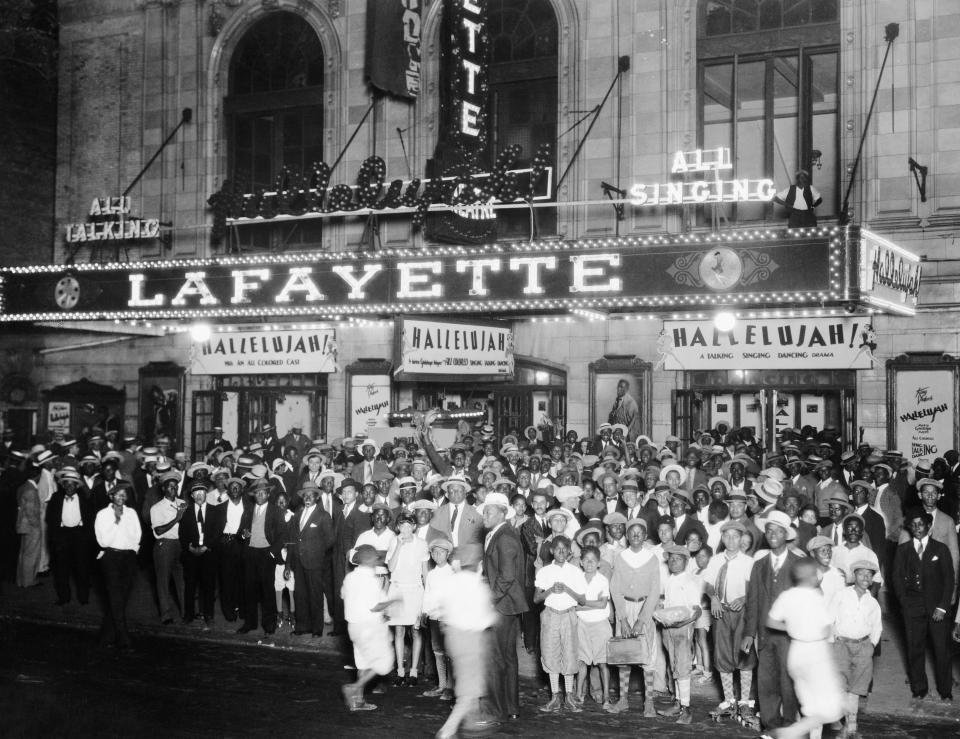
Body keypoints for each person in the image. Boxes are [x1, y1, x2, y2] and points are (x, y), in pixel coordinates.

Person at [765, 557, 844, 739]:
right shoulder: (815, 597)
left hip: (796, 653)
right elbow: (825, 629)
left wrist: (793, 628)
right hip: (815, 652)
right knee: (829, 708)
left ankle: (797, 733)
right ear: (811, 577)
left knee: (810, 707)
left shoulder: (787, 595)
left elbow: (771, 621)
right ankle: (791, 733)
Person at [743, 510, 805, 732]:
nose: (773, 535)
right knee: (767, 682)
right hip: (765, 634)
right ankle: (769, 726)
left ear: (786, 535)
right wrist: (749, 634)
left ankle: (789, 725)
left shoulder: (800, 564)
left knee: (788, 684)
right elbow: (753, 601)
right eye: (769, 531)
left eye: (778, 531)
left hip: (791, 636)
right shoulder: (759, 565)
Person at [434, 542, 498, 739]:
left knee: (467, 682)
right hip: (470, 638)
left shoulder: (451, 581)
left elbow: (441, 610)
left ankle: (472, 721)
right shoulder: (478, 585)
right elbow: (487, 619)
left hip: (453, 638)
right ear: (478, 563)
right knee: (469, 690)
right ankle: (448, 731)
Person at [892, 508, 955, 702]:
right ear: (910, 528)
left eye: (921, 524)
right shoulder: (903, 550)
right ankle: (919, 689)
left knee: (941, 650)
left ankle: (945, 691)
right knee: (914, 648)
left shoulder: (940, 549)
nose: (918, 527)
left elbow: (949, 579)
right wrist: (905, 603)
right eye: (914, 524)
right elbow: (896, 579)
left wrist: (943, 607)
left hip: (937, 608)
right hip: (913, 607)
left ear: (929, 526)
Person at [480, 491, 529, 725]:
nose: (484, 515)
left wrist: (490, 600)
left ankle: (497, 710)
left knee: (497, 659)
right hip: (507, 605)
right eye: (484, 511)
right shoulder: (498, 534)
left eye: (488, 511)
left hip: (502, 606)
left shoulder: (505, 537)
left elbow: (507, 577)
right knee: (508, 659)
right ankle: (511, 708)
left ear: (502, 512)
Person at [702, 520, 756, 723]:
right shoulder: (716, 560)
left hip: (741, 613)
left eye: (736, 536)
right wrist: (714, 597)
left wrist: (743, 599)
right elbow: (708, 584)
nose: (732, 540)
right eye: (728, 536)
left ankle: (744, 702)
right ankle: (729, 700)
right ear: (722, 538)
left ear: (741, 539)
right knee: (722, 655)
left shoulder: (748, 562)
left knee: (744, 656)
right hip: (721, 613)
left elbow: (754, 590)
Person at [607, 518, 661, 716]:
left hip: (645, 609)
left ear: (645, 536)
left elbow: (655, 590)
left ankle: (649, 702)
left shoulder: (652, 558)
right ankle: (623, 700)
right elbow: (615, 588)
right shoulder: (621, 557)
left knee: (647, 656)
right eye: (632, 532)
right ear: (627, 536)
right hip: (625, 607)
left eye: (640, 532)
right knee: (624, 654)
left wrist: (641, 619)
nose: (636, 535)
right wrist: (622, 618)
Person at [340, 544, 398, 712]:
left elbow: (343, 595)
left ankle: (358, 701)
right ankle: (354, 687)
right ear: (370, 561)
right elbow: (375, 606)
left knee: (363, 663)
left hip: (353, 627)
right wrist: (394, 601)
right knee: (384, 663)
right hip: (369, 627)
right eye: (374, 559)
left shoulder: (350, 578)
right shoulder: (370, 580)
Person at [534, 535, 587, 713]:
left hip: (569, 615)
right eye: (558, 549)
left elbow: (582, 600)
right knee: (550, 653)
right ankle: (555, 696)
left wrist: (567, 589)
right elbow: (536, 598)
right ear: (552, 551)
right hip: (550, 615)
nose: (562, 552)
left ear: (570, 551)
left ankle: (569, 697)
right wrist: (550, 589)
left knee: (570, 654)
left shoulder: (576, 572)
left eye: (565, 549)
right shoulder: (544, 572)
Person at [831, 559, 883, 739]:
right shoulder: (841, 595)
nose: (865, 577)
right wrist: (833, 641)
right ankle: (837, 719)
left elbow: (877, 627)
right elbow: (829, 618)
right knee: (841, 686)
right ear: (854, 576)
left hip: (862, 647)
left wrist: (871, 646)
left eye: (869, 575)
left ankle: (851, 725)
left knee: (856, 689)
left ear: (872, 579)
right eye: (861, 573)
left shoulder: (872, 603)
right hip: (841, 646)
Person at [655, 543, 702, 724]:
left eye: (678, 559)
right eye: (671, 559)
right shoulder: (670, 581)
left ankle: (686, 709)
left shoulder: (689, 581)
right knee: (673, 666)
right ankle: (677, 703)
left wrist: (684, 623)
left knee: (682, 667)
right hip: (669, 628)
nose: (674, 562)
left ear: (686, 561)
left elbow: (696, 611)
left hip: (682, 629)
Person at [94, 482, 142, 650]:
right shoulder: (102, 515)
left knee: (121, 598)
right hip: (111, 557)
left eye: (124, 495)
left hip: (128, 558)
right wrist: (116, 520)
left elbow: (137, 535)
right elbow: (103, 540)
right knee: (115, 596)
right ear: (111, 496)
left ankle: (106, 636)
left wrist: (134, 550)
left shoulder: (132, 513)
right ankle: (123, 636)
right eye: (117, 494)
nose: (121, 498)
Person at [387, 510, 430, 686]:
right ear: (398, 527)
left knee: (416, 630)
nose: (405, 529)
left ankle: (413, 672)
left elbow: (425, 572)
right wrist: (398, 545)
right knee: (398, 630)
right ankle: (400, 671)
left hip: (415, 590)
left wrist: (428, 594)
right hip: (397, 589)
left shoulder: (421, 544)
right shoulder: (393, 541)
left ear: (414, 526)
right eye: (402, 525)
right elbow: (390, 567)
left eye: (408, 525)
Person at [286, 481, 335, 637]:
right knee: (300, 595)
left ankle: (316, 629)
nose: (308, 498)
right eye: (305, 495)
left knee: (315, 595)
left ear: (316, 497)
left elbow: (330, 540)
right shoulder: (298, 515)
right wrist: (288, 565)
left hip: (315, 562)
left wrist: (317, 553)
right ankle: (302, 627)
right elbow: (293, 540)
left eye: (311, 495)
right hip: (298, 562)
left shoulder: (323, 516)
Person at [238, 479, 285, 635]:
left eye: (263, 492)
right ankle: (250, 623)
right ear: (253, 495)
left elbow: (282, 536)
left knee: (267, 591)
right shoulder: (248, 510)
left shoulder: (276, 511)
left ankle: (269, 624)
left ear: (268, 494)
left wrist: (272, 552)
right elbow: (240, 531)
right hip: (250, 552)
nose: (260, 495)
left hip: (266, 553)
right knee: (249, 590)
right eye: (257, 493)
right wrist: (244, 535)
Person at [46, 468, 96, 605]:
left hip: (79, 536)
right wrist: (55, 538)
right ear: (63, 485)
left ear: (77, 485)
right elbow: (49, 518)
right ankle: (64, 597)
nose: (69, 487)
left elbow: (90, 519)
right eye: (66, 484)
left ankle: (83, 598)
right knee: (61, 570)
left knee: (82, 569)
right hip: (62, 537)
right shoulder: (56, 498)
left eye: (72, 484)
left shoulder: (84, 499)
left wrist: (86, 537)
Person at [180, 481, 221, 629]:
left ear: (206, 495)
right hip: (191, 554)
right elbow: (182, 534)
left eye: (202, 493)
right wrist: (189, 547)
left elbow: (217, 532)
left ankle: (208, 615)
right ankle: (189, 615)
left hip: (208, 553)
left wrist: (206, 547)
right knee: (190, 585)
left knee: (208, 585)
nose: (199, 496)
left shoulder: (214, 511)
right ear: (191, 496)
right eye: (196, 493)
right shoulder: (186, 512)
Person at [575, 545, 612, 709]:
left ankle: (606, 697)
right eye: (586, 560)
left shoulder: (602, 580)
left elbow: (603, 604)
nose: (589, 563)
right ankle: (578, 695)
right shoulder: (577, 580)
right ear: (581, 562)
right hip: (581, 624)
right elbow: (574, 606)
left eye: (593, 560)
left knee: (603, 663)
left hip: (600, 626)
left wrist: (583, 603)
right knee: (582, 662)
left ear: (598, 563)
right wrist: (593, 604)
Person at [149, 470, 186, 624]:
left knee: (182, 580)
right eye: (170, 487)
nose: (173, 489)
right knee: (163, 581)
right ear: (163, 489)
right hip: (164, 545)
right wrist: (177, 518)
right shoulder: (156, 507)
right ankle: (166, 613)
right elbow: (158, 530)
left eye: (175, 486)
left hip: (181, 545)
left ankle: (186, 612)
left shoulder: (183, 504)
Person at [420, 537, 455, 700]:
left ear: (448, 554)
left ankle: (450, 687)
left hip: (447, 619)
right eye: (435, 552)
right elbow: (427, 594)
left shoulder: (453, 573)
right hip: (434, 617)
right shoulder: (432, 574)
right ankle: (441, 685)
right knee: (437, 651)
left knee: (449, 651)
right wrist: (424, 612)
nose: (438, 555)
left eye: (441, 552)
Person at [15, 463, 43, 588]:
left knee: (24, 554)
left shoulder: (23, 486)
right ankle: (29, 581)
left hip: (23, 525)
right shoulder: (31, 490)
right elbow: (31, 512)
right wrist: (37, 527)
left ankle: (21, 580)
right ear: (38, 476)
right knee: (31, 554)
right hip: (31, 527)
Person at [274, 491, 296, 629]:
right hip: (277, 558)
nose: (281, 503)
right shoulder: (273, 516)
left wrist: (289, 558)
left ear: (288, 503)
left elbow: (293, 541)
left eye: (284, 501)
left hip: (290, 557)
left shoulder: (293, 518)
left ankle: (292, 615)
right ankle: (279, 614)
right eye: (278, 501)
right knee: (278, 587)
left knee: (292, 588)